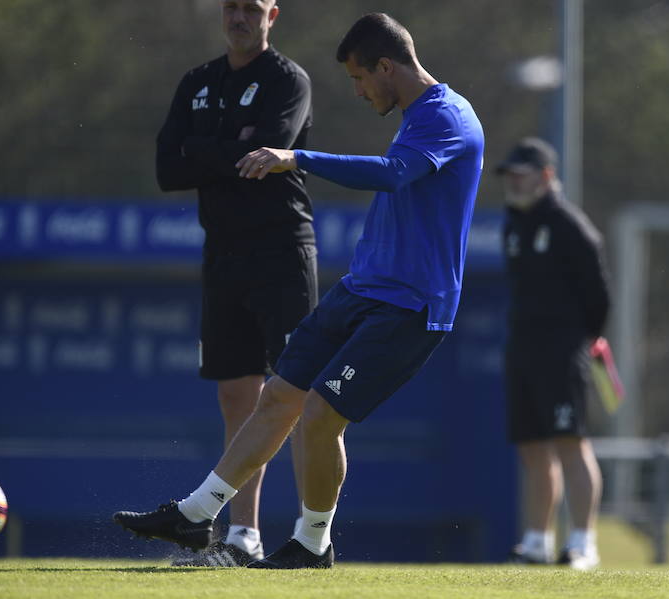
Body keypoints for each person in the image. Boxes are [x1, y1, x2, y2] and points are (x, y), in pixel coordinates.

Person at [114, 12, 484, 569]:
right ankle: (196, 514)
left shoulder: (449, 115)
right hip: (362, 289)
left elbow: (391, 174)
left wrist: (297, 157)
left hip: (412, 305)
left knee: (320, 415)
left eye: (360, 79)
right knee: (278, 397)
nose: (358, 92)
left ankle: (312, 543)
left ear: (386, 66)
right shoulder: (415, 113)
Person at [153, 0, 316, 567]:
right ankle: (243, 534)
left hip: (281, 251)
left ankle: (311, 534)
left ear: (274, 13)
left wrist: (207, 151)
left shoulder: (287, 80)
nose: (239, 17)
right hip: (223, 254)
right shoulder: (198, 81)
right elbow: (166, 169)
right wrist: (229, 150)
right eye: (231, 7)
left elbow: (264, 157)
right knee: (234, 395)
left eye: (252, 7)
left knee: (296, 394)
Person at [497, 138, 610, 571]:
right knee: (531, 449)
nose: (513, 182)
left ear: (545, 176)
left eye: (521, 174)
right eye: (509, 175)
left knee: (570, 443)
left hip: (564, 352)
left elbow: (598, 298)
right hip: (522, 349)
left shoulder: (569, 225)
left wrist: (580, 342)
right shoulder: (514, 224)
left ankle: (583, 543)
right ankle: (536, 542)